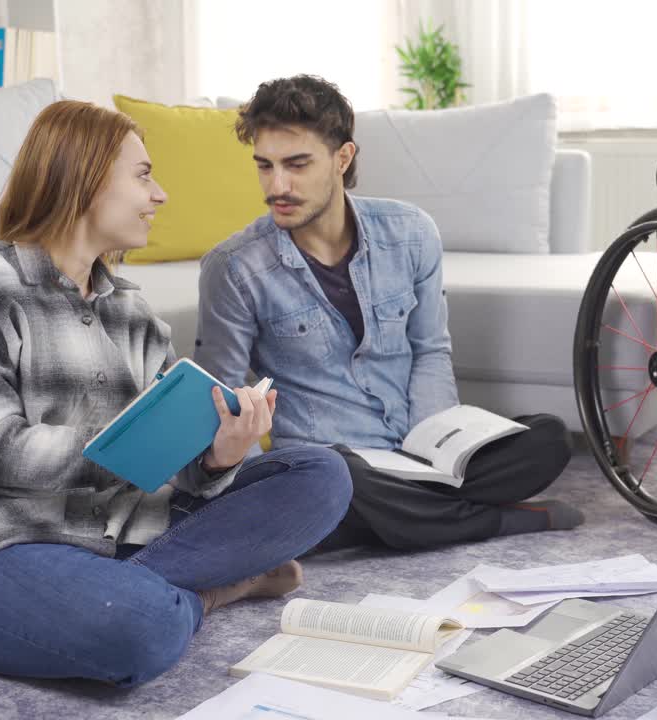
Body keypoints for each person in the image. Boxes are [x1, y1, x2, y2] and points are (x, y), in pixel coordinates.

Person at [0, 100, 351, 687]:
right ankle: (212, 591)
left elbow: (184, 474)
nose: (162, 195)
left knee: (321, 474)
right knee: (140, 628)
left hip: (124, 533)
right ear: (84, 174)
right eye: (144, 175)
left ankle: (132, 584)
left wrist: (219, 453)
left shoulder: (133, 312)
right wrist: (124, 452)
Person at [194, 75, 580, 552]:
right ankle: (492, 521)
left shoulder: (412, 233)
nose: (278, 186)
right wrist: (261, 504)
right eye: (265, 167)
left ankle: (399, 515)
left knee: (549, 437)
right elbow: (223, 400)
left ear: (343, 158)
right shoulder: (234, 268)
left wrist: (439, 447)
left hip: (411, 445)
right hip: (331, 461)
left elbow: (431, 349)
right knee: (336, 480)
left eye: (297, 165)